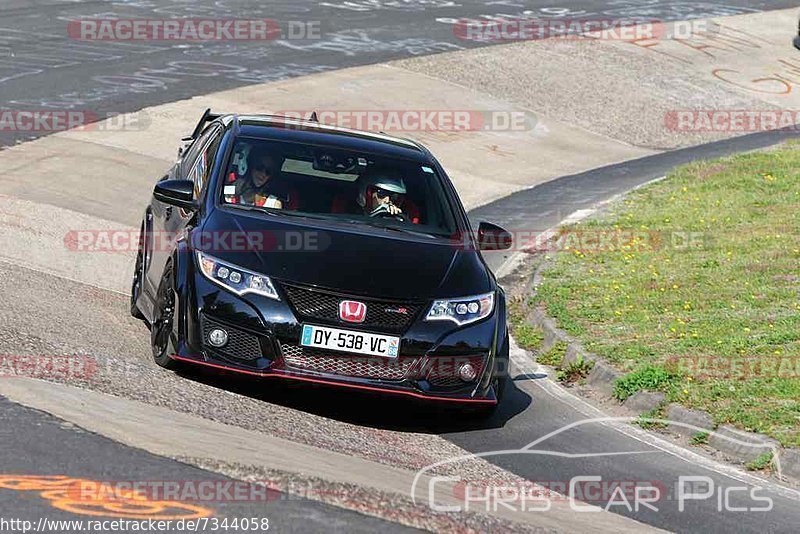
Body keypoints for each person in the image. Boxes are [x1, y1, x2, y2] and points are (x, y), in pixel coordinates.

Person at [332, 168, 420, 224]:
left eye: (394, 196)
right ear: (366, 193)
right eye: (381, 193)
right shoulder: (346, 210)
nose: (387, 200)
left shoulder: (406, 214)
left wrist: (397, 221)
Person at [229, 150, 298, 209]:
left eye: (268, 171)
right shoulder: (230, 192)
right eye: (259, 167)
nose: (263, 174)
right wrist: (234, 190)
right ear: (250, 166)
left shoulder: (272, 203)